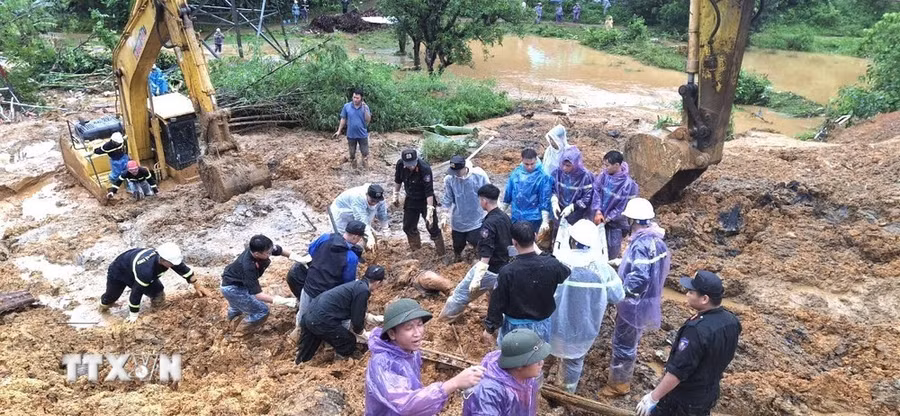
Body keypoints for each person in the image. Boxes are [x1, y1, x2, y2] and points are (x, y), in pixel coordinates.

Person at [635, 271, 741, 416]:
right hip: (708, 392)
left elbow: (678, 372)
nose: (687, 294)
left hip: (684, 400)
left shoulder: (696, 330)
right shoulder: (731, 320)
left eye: (691, 292)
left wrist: (653, 398)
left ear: (704, 299)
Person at [365, 298, 486, 414]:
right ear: (392, 334)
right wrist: (453, 383)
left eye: (419, 324)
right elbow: (406, 404)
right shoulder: (383, 363)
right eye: (409, 328)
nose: (417, 333)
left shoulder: (411, 352)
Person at [602, 198, 671, 397]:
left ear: (634, 220)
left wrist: (621, 293)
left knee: (623, 343)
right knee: (631, 340)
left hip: (634, 303)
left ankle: (619, 385)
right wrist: (621, 262)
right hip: (648, 299)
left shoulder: (641, 244)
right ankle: (622, 379)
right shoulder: (656, 240)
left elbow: (640, 276)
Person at [549, 219, 625, 393]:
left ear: (571, 239)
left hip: (554, 324)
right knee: (574, 361)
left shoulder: (557, 263)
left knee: (543, 355)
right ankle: (565, 395)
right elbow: (617, 296)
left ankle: (537, 390)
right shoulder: (603, 269)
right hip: (583, 328)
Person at [483, 221, 570, 346]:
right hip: (542, 325)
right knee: (537, 359)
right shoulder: (552, 265)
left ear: (514, 242)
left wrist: (490, 327)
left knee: (513, 361)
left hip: (515, 328)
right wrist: (542, 253)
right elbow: (565, 271)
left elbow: (497, 302)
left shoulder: (508, 271)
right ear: (535, 237)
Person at [440, 184, 512, 322]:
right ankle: (492, 318)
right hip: (504, 268)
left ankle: (444, 321)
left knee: (460, 296)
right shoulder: (505, 217)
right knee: (495, 296)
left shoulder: (489, 223)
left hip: (490, 269)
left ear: (484, 201)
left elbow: (487, 251)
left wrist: (478, 277)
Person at [99, 243, 209, 323]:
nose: (173, 265)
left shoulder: (170, 259)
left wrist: (197, 285)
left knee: (158, 291)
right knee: (111, 297)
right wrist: (133, 316)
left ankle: (157, 312)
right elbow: (136, 294)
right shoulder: (146, 270)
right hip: (120, 271)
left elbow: (184, 270)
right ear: (162, 260)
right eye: (171, 263)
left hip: (135, 267)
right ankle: (102, 309)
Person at [292, 220, 366, 338]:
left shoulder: (325, 237)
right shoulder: (351, 257)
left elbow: (311, 250)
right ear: (356, 236)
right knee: (331, 320)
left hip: (309, 286)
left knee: (303, 315)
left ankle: (298, 334)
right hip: (325, 295)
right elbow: (348, 282)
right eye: (360, 238)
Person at [295, 265, 385, 362]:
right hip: (320, 319)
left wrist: (374, 318)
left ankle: (298, 365)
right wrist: (364, 335)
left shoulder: (355, 286)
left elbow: (354, 310)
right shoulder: (363, 291)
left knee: (307, 350)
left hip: (310, 314)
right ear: (378, 282)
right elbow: (357, 322)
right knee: (348, 341)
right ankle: (342, 364)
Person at [221, 235, 297, 337]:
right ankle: (240, 332)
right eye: (268, 253)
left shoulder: (263, 249)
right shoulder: (248, 267)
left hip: (232, 280)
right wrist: (285, 301)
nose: (271, 254)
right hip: (233, 289)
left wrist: (296, 257)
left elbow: (279, 250)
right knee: (262, 311)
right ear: (257, 254)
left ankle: (232, 320)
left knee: (236, 305)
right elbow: (258, 295)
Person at [462, 328, 549, 415]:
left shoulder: (528, 379)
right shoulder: (488, 393)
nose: (542, 363)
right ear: (519, 365)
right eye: (536, 360)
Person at [394, 148, 445, 254]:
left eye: (412, 164)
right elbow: (398, 180)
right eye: (408, 164)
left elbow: (429, 191)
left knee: (431, 226)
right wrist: (395, 194)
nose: (410, 166)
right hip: (411, 198)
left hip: (425, 200)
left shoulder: (424, 168)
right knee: (408, 226)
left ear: (416, 160)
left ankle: (441, 253)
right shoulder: (400, 165)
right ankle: (416, 251)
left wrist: (430, 209)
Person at [442, 155, 491, 263]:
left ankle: (478, 258)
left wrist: (492, 211)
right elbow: (447, 197)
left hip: (476, 216)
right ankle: (458, 257)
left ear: (465, 168)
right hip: (459, 217)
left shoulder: (479, 176)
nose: (455, 175)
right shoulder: (449, 179)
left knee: (477, 241)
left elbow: (490, 192)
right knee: (458, 244)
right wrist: (444, 214)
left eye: (458, 172)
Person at [592, 150, 639, 259]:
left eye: (607, 165)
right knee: (596, 244)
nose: (605, 167)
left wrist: (608, 218)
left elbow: (623, 207)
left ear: (617, 165)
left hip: (616, 222)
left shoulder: (628, 185)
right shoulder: (604, 175)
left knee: (612, 248)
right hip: (599, 217)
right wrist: (598, 210)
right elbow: (596, 191)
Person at [502, 148, 553, 235]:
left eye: (532, 164)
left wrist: (545, 220)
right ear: (522, 160)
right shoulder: (516, 173)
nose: (529, 167)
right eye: (526, 164)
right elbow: (509, 192)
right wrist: (503, 209)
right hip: (516, 215)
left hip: (534, 217)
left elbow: (545, 198)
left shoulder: (543, 176)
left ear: (536, 160)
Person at [329, 183, 388, 251]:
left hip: (360, 211)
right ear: (367, 195)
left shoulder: (380, 199)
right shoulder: (358, 198)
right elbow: (361, 219)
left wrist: (385, 230)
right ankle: (344, 255)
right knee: (343, 238)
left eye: (377, 201)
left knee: (368, 233)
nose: (374, 203)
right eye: (372, 200)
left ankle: (369, 251)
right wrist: (369, 236)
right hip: (342, 213)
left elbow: (382, 214)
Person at [550, 146, 594, 233]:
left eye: (568, 165)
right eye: (563, 164)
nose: (565, 168)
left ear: (576, 164)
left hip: (578, 214)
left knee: (574, 236)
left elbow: (588, 197)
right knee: (558, 236)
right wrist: (554, 201)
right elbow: (552, 188)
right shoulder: (557, 173)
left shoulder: (585, 176)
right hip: (560, 209)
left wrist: (573, 207)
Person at [333, 89, 372, 169]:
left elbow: (368, 120)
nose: (355, 99)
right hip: (351, 134)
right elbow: (343, 119)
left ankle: (365, 171)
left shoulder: (365, 107)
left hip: (362, 134)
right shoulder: (346, 106)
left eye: (357, 98)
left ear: (361, 98)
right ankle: (354, 170)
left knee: (365, 154)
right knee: (352, 154)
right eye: (354, 97)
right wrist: (339, 131)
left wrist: (365, 109)